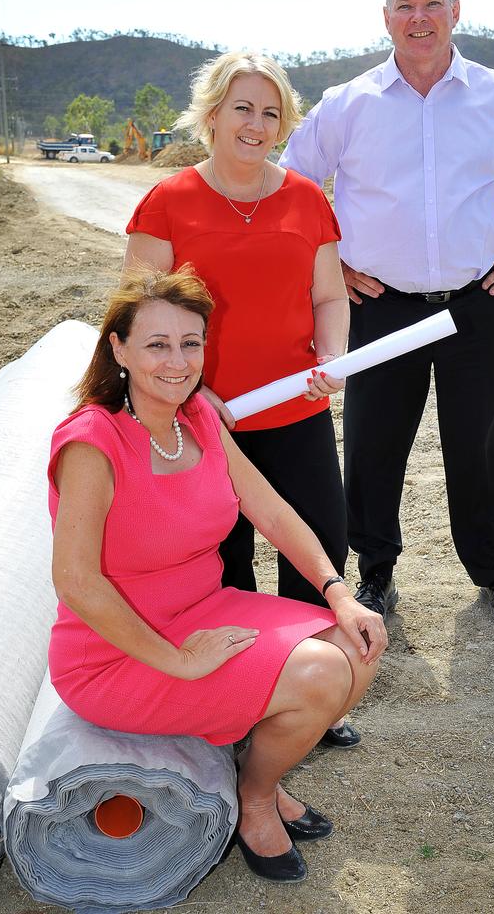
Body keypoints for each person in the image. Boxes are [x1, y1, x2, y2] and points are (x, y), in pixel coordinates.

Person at [48, 266, 387, 883]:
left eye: (191, 343)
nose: (177, 362)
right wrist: (177, 661)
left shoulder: (197, 417)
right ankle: (253, 804)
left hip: (206, 609)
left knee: (358, 644)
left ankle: (256, 777)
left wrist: (340, 595)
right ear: (118, 348)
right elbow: (77, 584)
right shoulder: (91, 442)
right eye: (157, 344)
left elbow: (273, 511)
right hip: (116, 652)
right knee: (319, 675)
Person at [281, 0, 494, 625]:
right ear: (386, 18)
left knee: (478, 441)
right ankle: (375, 572)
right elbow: (293, 186)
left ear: (456, 11)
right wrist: (328, 268)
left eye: (433, 2)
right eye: (406, 6)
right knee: (372, 442)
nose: (420, 18)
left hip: (478, 302)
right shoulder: (348, 104)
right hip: (380, 306)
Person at [124, 52, 358, 748]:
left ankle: (319, 691)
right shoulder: (166, 204)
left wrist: (335, 355)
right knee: (222, 562)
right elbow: (138, 319)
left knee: (316, 547)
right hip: (201, 422)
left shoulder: (308, 200)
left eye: (269, 112)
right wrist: (193, 392)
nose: (256, 125)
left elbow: (329, 296)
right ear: (212, 115)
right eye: (242, 108)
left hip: (296, 413)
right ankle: (239, 695)